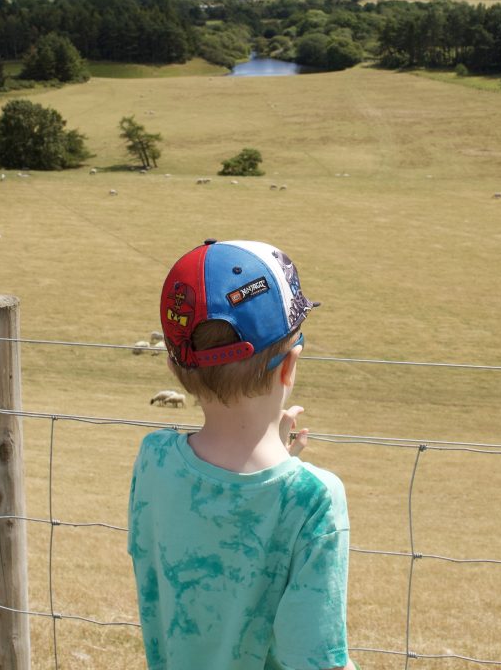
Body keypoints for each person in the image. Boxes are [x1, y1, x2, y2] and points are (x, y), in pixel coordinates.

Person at [128, 239, 355, 670]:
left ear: (174, 367)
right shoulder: (313, 500)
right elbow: (314, 660)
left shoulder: (154, 460)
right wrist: (287, 479)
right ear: (290, 364)